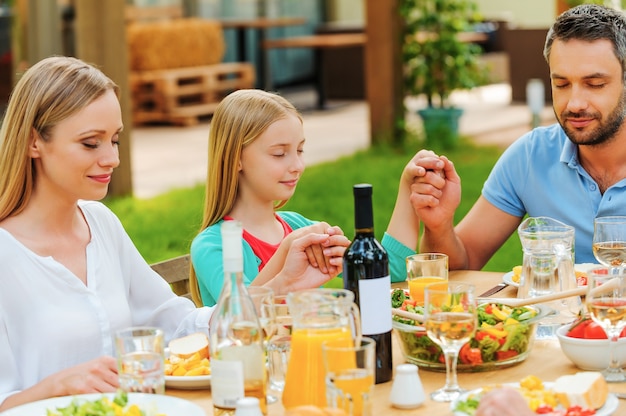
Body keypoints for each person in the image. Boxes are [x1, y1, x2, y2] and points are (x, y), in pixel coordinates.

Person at [0, 56, 337, 411]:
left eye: (114, 140)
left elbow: (178, 328)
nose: (112, 157)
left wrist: (280, 285)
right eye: (90, 143)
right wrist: (57, 386)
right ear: (33, 141)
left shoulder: (100, 223)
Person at [410, 4, 626, 270]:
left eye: (594, 85)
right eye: (561, 84)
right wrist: (439, 226)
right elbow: (458, 268)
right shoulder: (530, 157)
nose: (575, 103)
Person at [190, 89, 417, 306]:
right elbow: (238, 317)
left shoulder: (298, 226)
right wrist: (286, 251)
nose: (297, 166)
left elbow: (387, 275)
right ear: (235, 159)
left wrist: (410, 189)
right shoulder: (212, 246)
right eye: (279, 154)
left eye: (300, 151)